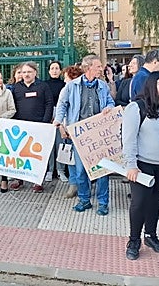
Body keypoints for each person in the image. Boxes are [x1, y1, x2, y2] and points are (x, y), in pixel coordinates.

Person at [123, 71, 159, 260]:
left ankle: (151, 236)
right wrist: (131, 164)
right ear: (152, 85)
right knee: (139, 203)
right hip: (143, 164)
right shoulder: (137, 107)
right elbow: (128, 138)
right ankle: (134, 240)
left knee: (155, 202)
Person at [54, 55, 115, 215]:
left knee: (102, 169)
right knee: (81, 170)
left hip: (99, 134)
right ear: (88, 68)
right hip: (79, 135)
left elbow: (110, 102)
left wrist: (109, 107)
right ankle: (84, 200)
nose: (101, 69)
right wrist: (59, 121)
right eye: (98, 66)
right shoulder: (72, 86)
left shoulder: (103, 86)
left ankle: (103, 203)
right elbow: (62, 104)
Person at [10, 61, 54, 192]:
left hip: (39, 126)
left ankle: (38, 181)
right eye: (24, 72)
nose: (26, 74)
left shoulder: (43, 86)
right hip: (21, 127)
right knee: (20, 154)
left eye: (29, 72)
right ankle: (20, 180)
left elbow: (49, 104)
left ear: (35, 72)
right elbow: (12, 107)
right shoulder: (17, 87)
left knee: (37, 155)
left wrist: (45, 123)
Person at [57, 64, 84, 198]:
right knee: (71, 159)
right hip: (69, 130)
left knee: (81, 161)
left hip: (81, 130)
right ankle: (73, 184)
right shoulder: (65, 90)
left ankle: (82, 185)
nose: (64, 80)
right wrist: (62, 128)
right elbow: (60, 111)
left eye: (66, 77)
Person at [45, 60, 66, 182]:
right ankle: (49, 170)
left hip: (61, 116)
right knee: (50, 145)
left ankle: (61, 170)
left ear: (60, 71)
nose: (54, 71)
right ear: (49, 71)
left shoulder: (64, 85)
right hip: (49, 116)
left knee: (60, 144)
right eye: (52, 68)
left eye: (57, 68)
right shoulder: (44, 84)